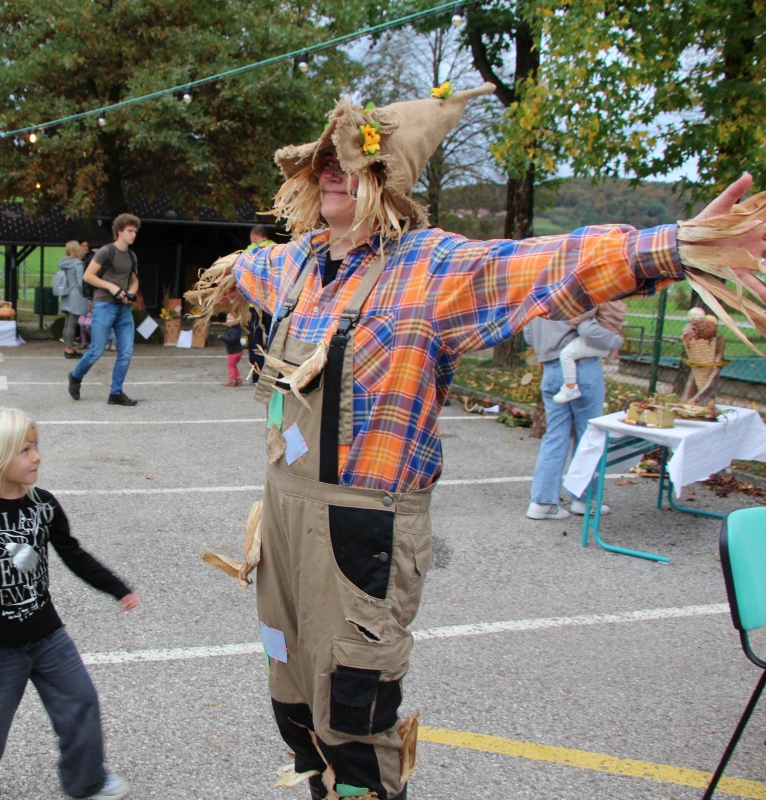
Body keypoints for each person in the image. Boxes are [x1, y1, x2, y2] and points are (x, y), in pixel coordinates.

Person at [192, 83, 766, 800]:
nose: (328, 172)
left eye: (348, 162)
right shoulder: (295, 264)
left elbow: (553, 263)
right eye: (320, 163)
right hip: (279, 521)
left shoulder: (432, 268)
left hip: (361, 529)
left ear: (387, 186)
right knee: (293, 702)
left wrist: (676, 245)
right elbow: (244, 268)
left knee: (355, 716)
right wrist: (226, 280)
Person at [0, 407, 139, 800]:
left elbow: (72, 553)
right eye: (24, 450)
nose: (37, 456)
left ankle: (86, 781)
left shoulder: (43, 504)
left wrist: (116, 587)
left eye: (36, 446)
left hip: (46, 632)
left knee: (80, 701)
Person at [526, 308, 624, 520]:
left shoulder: (540, 294)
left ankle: (542, 502)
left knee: (554, 436)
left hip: (551, 368)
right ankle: (584, 499)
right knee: (589, 436)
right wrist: (615, 341)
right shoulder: (576, 290)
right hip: (582, 367)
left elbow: (528, 334)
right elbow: (587, 329)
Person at [68, 213, 141, 406]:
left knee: (126, 352)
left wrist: (130, 293)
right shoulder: (106, 252)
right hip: (104, 305)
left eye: (135, 231)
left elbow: (134, 281)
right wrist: (111, 287)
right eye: (130, 231)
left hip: (123, 308)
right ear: (119, 231)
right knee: (97, 349)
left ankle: (115, 393)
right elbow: (88, 276)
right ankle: (75, 376)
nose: (133, 235)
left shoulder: (132, 256)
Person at [551, 299, 627, 403]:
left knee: (566, 355)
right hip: (606, 340)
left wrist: (575, 321)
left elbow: (589, 310)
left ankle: (570, 388)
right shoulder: (619, 302)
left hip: (596, 340)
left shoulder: (601, 297)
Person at [245, 226, 273, 381]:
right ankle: (274, 373)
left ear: (254, 236)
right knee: (273, 337)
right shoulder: (277, 249)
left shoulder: (249, 252)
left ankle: (257, 374)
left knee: (255, 339)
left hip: (254, 304)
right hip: (272, 304)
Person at [58, 240, 89, 358]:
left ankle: (67, 346)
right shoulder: (78, 265)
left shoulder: (64, 264)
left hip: (66, 294)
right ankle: (69, 350)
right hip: (76, 296)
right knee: (72, 324)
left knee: (67, 324)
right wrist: (85, 294)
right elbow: (80, 283)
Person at [218, 310, 244, 386]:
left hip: (234, 352)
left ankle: (232, 380)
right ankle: (237, 378)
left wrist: (222, 337)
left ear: (236, 321)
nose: (227, 321)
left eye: (230, 319)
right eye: (227, 319)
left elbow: (231, 340)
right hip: (237, 351)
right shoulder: (234, 329)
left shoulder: (234, 330)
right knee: (233, 365)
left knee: (231, 365)